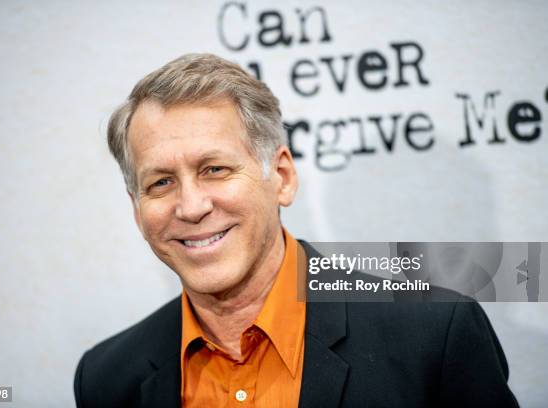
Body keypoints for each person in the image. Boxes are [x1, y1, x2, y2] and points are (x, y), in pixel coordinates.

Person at [74, 53, 518, 407]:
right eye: (161, 182)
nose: (191, 207)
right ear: (137, 208)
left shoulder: (434, 336)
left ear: (281, 177)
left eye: (214, 169)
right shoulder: (107, 378)